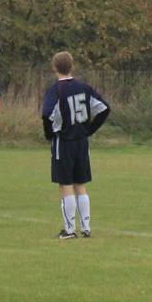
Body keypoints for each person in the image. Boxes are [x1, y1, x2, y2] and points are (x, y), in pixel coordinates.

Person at [41, 51, 111, 239]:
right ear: (72, 66)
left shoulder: (56, 90)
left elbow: (46, 114)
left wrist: (49, 134)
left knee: (65, 185)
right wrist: (89, 129)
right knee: (80, 184)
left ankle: (70, 230)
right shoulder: (84, 87)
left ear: (54, 67)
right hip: (81, 142)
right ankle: (86, 228)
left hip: (63, 142)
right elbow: (104, 109)